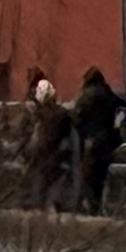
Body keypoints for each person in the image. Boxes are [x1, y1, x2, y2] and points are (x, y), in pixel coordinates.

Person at [72, 66, 126, 213]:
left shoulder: (85, 98)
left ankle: (89, 208)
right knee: (100, 177)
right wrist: (119, 123)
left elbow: (76, 119)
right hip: (108, 144)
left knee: (88, 178)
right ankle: (97, 206)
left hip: (91, 144)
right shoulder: (109, 95)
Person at [20, 74, 76, 209]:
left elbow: (25, 137)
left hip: (42, 159)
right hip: (54, 160)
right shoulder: (61, 114)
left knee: (38, 191)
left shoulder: (36, 115)